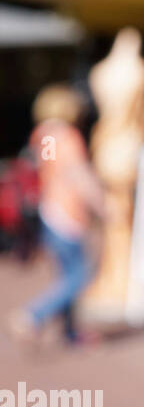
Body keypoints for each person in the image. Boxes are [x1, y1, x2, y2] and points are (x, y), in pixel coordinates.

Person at [7, 85, 103, 348]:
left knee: (67, 273)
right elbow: (75, 172)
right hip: (68, 211)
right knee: (78, 276)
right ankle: (32, 315)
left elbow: (47, 168)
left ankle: (70, 333)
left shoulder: (43, 136)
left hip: (49, 209)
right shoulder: (67, 136)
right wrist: (101, 203)